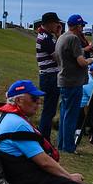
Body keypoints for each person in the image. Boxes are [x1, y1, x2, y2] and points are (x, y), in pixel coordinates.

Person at [54, 14, 93, 153]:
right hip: (73, 82)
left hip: (64, 80)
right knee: (71, 117)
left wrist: (84, 51)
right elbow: (81, 62)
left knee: (65, 114)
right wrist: (92, 60)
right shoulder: (74, 38)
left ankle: (62, 145)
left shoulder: (63, 37)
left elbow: (68, 53)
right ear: (77, 26)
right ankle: (69, 147)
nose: (83, 28)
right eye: (82, 25)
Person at [36, 12, 63, 141]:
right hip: (50, 76)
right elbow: (58, 56)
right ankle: (44, 138)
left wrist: (57, 36)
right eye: (56, 23)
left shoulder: (46, 36)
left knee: (50, 109)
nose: (58, 25)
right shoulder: (45, 38)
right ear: (49, 23)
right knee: (49, 110)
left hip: (49, 75)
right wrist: (59, 37)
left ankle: (44, 137)